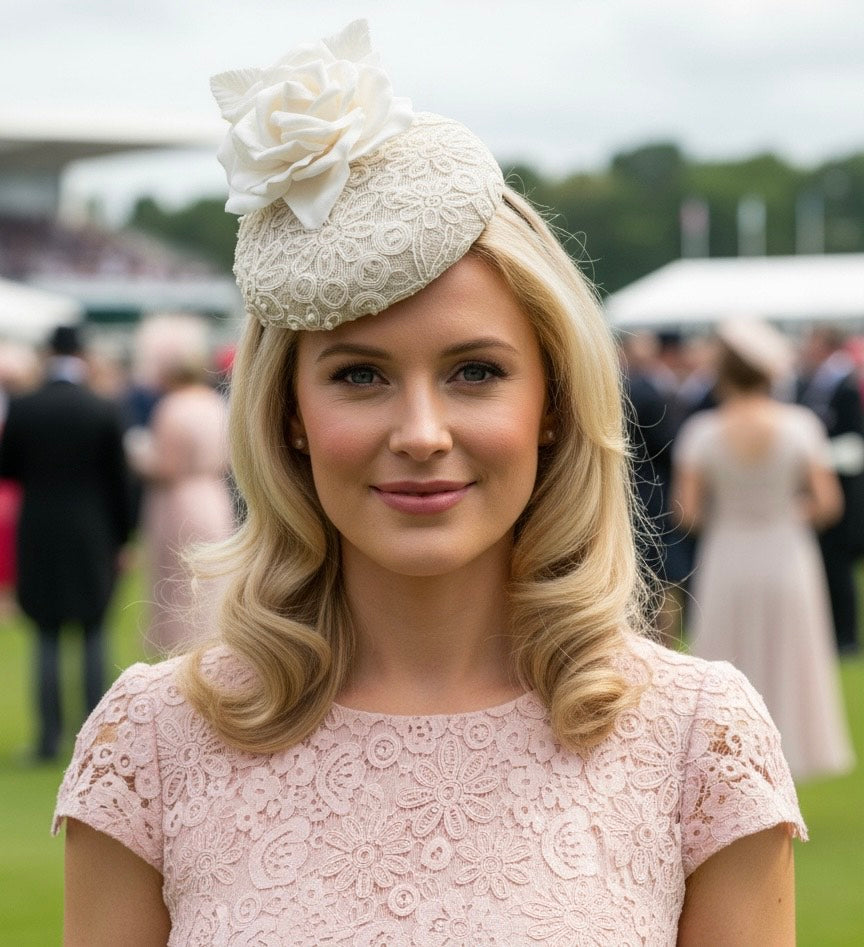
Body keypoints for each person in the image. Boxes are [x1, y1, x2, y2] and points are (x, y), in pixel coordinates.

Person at [55, 22, 805, 945]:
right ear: (289, 411)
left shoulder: (698, 739)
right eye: (360, 375)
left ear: (553, 402)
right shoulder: (151, 742)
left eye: (475, 372)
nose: (420, 433)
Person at [673, 319, 855, 782]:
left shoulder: (702, 431)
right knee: (789, 657)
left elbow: (687, 513)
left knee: (727, 657)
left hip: (728, 557)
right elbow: (827, 503)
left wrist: (732, 510)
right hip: (786, 554)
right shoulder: (801, 426)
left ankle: (728, 759)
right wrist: (782, 511)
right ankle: (790, 757)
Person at [0, 324, 134, 761]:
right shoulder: (102, 407)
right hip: (92, 529)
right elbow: (121, 481)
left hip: (39, 527)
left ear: (48, 354)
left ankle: (47, 740)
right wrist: (125, 535)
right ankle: (95, 739)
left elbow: (8, 467)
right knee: (93, 628)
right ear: (83, 356)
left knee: (46, 631)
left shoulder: (25, 407)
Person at [128, 357, 235, 654]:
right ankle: (212, 643)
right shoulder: (215, 403)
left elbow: (168, 467)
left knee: (177, 580)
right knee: (210, 578)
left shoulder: (173, 407)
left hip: (180, 498)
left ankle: (182, 649)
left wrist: (137, 456)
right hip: (213, 494)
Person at [796, 325, 864, 655]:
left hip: (844, 490)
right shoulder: (815, 380)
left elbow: (854, 441)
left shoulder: (846, 384)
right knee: (826, 564)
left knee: (839, 566)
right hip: (823, 484)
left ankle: (846, 636)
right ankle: (831, 634)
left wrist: (815, 456)